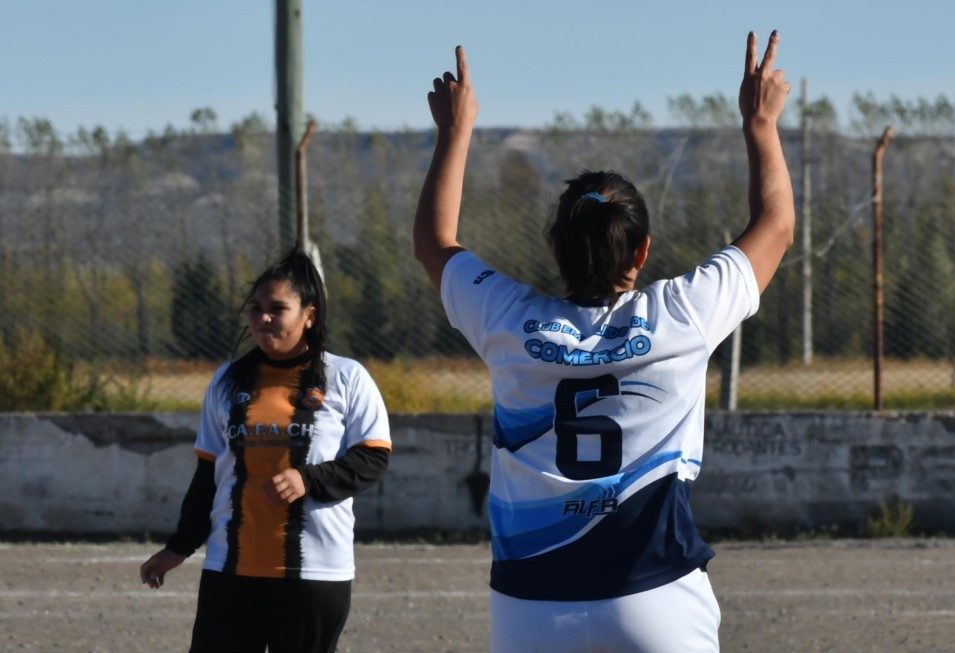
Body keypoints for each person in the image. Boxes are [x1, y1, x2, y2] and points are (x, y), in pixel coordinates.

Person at [413, 32, 793, 653]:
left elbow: (436, 241)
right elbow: (775, 224)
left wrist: (455, 132)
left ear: (556, 248)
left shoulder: (507, 320)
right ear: (642, 251)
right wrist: (761, 123)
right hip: (654, 599)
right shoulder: (681, 315)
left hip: (531, 605)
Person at [140, 249, 392, 653]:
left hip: (315, 572)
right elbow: (208, 476)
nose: (263, 318)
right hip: (230, 568)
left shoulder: (346, 377)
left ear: (309, 315)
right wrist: (179, 547)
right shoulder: (226, 381)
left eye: (277, 308)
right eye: (256, 309)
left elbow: (372, 459)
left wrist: (307, 479)